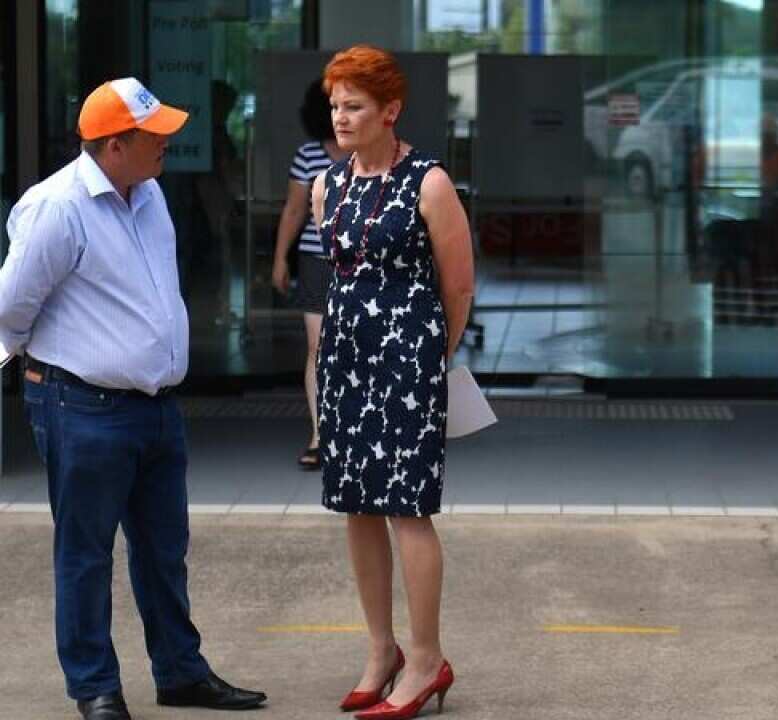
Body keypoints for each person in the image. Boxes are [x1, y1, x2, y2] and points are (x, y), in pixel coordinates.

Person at [0, 78, 266, 720]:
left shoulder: (148, 195)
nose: (168, 143)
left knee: (164, 549)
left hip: (156, 406)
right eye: (155, 135)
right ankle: (95, 686)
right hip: (83, 406)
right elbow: (10, 307)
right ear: (114, 146)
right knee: (86, 554)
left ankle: (181, 673)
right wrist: (43, 374)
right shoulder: (57, 207)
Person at [312, 46, 475, 719]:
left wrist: (432, 355)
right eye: (336, 106)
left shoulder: (429, 182)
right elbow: (339, 275)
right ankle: (381, 650)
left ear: (390, 111)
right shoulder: (328, 185)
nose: (341, 117)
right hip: (345, 361)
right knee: (357, 506)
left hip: (407, 364)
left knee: (409, 509)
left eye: (355, 106)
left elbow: (458, 286)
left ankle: (427, 659)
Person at [271, 78, 349, 469]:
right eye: (336, 106)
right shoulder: (309, 154)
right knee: (318, 347)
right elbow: (294, 209)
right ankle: (320, 434)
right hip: (316, 260)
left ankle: (356, 432)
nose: (343, 114)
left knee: (361, 346)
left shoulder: (372, 152)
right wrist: (280, 259)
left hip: (362, 262)